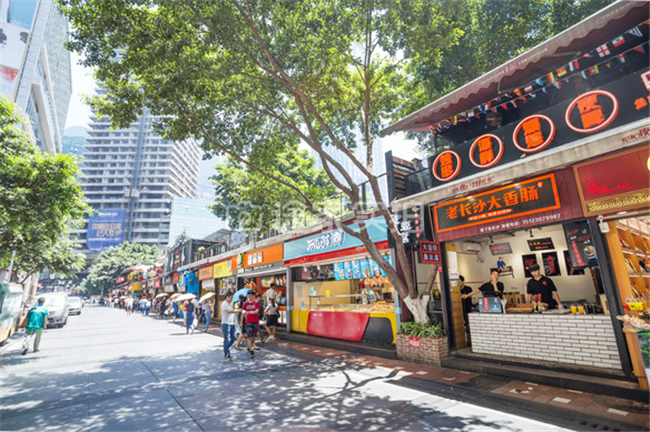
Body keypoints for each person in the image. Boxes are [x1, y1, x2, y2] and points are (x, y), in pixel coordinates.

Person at [242, 290, 261, 356]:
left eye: (251, 295)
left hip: (255, 322)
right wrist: (242, 320)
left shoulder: (256, 303)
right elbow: (243, 311)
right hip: (248, 322)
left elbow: (257, 311)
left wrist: (249, 312)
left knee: (253, 336)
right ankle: (251, 349)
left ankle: (249, 347)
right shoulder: (245, 303)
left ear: (253, 296)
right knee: (249, 336)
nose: (249, 297)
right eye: (248, 295)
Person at [221, 292, 237, 359]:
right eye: (231, 298)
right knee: (226, 338)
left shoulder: (230, 304)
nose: (231, 299)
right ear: (227, 297)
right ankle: (226, 353)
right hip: (226, 323)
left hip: (231, 323)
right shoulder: (224, 303)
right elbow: (228, 311)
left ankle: (226, 348)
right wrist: (237, 311)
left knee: (234, 337)